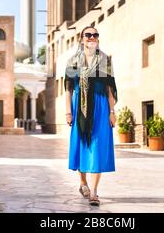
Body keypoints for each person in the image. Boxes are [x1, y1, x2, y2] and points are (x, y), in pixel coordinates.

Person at [64, 25, 118, 206]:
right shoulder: (73, 61)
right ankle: (83, 183)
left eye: (95, 35)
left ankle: (94, 192)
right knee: (82, 145)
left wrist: (112, 111)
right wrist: (68, 112)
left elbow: (110, 88)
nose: (92, 37)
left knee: (97, 146)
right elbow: (68, 90)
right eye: (88, 35)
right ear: (82, 38)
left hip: (101, 107)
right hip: (80, 107)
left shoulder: (104, 60)